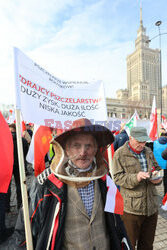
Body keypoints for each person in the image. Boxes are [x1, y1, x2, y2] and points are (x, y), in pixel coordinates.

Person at [9, 118, 132, 250]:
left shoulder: (105, 180)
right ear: (66, 149)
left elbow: (116, 222)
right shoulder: (46, 184)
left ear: (96, 149)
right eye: (76, 145)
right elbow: (24, 232)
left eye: (88, 146)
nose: (83, 152)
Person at [112, 127, 162, 250]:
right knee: (129, 244)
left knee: (147, 245)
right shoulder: (120, 153)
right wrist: (136, 177)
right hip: (131, 210)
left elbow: (157, 168)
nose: (142, 144)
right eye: (139, 141)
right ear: (131, 138)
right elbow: (117, 178)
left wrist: (158, 178)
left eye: (144, 141)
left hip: (151, 208)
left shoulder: (148, 151)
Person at [7, 123, 29, 210]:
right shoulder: (22, 140)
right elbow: (26, 153)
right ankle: (20, 205)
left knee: (7, 187)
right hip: (19, 165)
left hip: (8, 165)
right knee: (20, 185)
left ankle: (6, 207)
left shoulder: (4, 140)